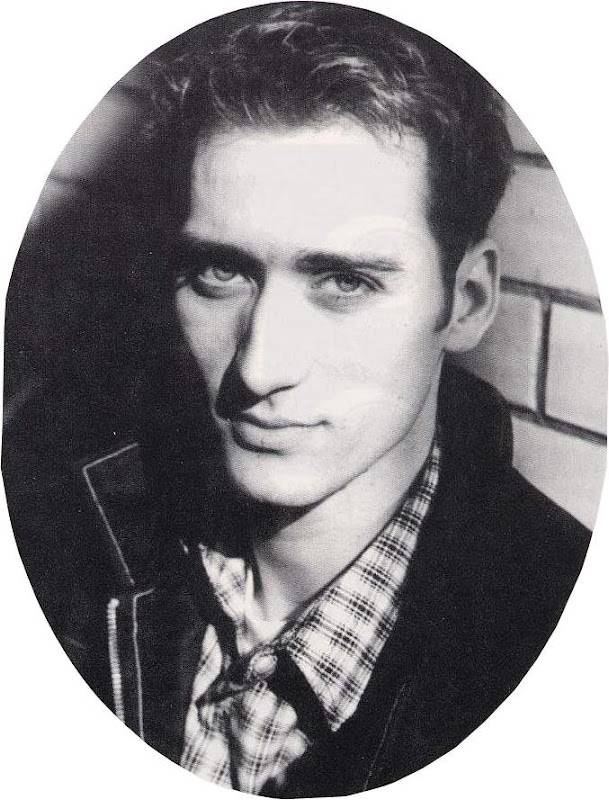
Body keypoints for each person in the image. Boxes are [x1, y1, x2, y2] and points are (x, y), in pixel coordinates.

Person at [2, 3, 591, 796]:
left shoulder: (567, 649)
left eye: (344, 281)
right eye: (220, 271)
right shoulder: (48, 519)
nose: (260, 366)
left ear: (467, 300)